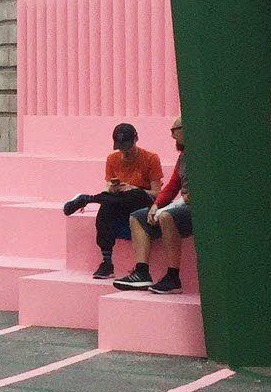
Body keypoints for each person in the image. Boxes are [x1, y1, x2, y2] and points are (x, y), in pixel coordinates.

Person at [61, 123, 163, 280]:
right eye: (120, 147)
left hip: (141, 199)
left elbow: (156, 194)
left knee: (133, 194)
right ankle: (106, 261)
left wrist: (132, 187)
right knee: (107, 206)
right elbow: (108, 186)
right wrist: (115, 188)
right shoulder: (112, 159)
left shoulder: (151, 158)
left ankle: (88, 199)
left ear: (136, 139)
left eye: (127, 147)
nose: (124, 151)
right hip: (118, 200)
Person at [114, 116, 192, 294]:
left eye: (175, 131)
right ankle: (141, 272)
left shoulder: (202, 157)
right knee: (137, 217)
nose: (173, 137)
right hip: (181, 205)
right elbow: (172, 186)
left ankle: (173, 277)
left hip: (194, 208)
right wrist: (156, 205)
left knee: (167, 216)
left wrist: (169, 207)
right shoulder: (183, 157)